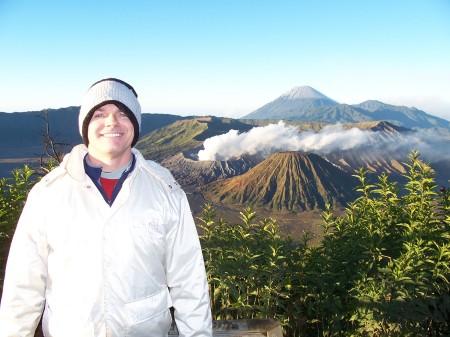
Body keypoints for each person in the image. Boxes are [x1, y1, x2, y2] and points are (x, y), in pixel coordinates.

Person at [0, 78, 212, 336]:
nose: (112, 122)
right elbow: (23, 286)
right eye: (100, 114)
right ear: (86, 126)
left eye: (123, 114)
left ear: (134, 126)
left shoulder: (166, 191)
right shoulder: (48, 194)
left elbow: (189, 280)